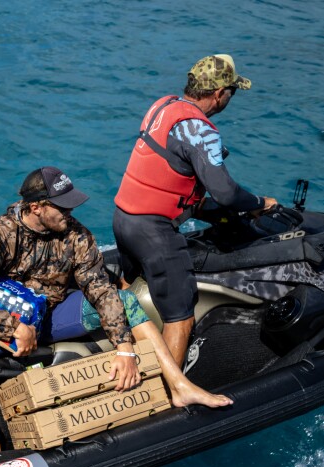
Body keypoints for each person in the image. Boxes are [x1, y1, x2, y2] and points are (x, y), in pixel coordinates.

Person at [0, 166, 233, 456]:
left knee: (124, 300)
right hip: (5, 319)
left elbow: (101, 291)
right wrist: (12, 327)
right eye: (62, 207)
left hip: (51, 314)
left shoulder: (76, 236)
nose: (69, 214)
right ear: (37, 207)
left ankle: (180, 386)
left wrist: (125, 349)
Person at [113, 54, 278, 366]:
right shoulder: (201, 131)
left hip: (123, 219)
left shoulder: (161, 107)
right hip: (153, 231)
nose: (231, 97)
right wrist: (260, 203)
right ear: (219, 94)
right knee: (180, 315)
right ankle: (172, 396)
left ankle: (126, 353)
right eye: (233, 91)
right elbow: (227, 193)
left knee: (130, 290)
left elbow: (169, 176)